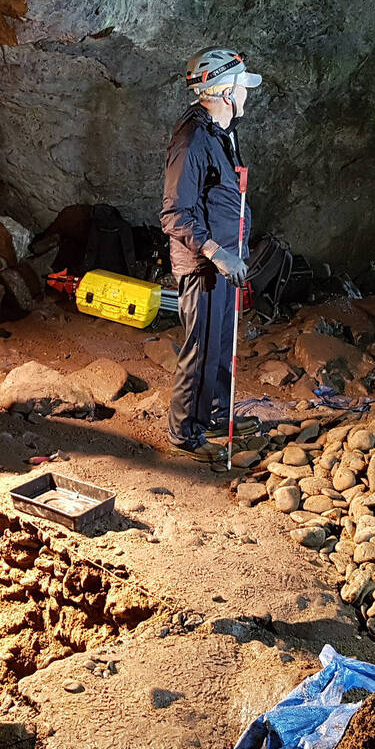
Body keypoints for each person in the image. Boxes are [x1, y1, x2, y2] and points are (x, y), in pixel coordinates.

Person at [161, 47, 263, 460]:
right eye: (242, 87)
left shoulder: (221, 133)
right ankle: (185, 433)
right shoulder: (192, 140)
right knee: (201, 351)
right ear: (225, 93)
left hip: (222, 263)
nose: (247, 94)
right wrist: (217, 253)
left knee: (220, 345)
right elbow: (174, 213)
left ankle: (217, 413)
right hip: (203, 267)